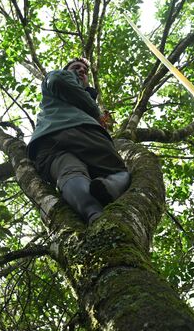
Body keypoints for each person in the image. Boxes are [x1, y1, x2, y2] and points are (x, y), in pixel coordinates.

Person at [27, 57, 131, 224]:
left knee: (70, 171)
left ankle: (93, 214)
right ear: (67, 70)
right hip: (78, 130)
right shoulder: (61, 76)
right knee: (119, 172)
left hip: (45, 144)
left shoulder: (58, 99)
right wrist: (96, 115)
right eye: (76, 67)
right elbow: (57, 80)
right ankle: (107, 188)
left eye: (85, 70)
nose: (81, 70)